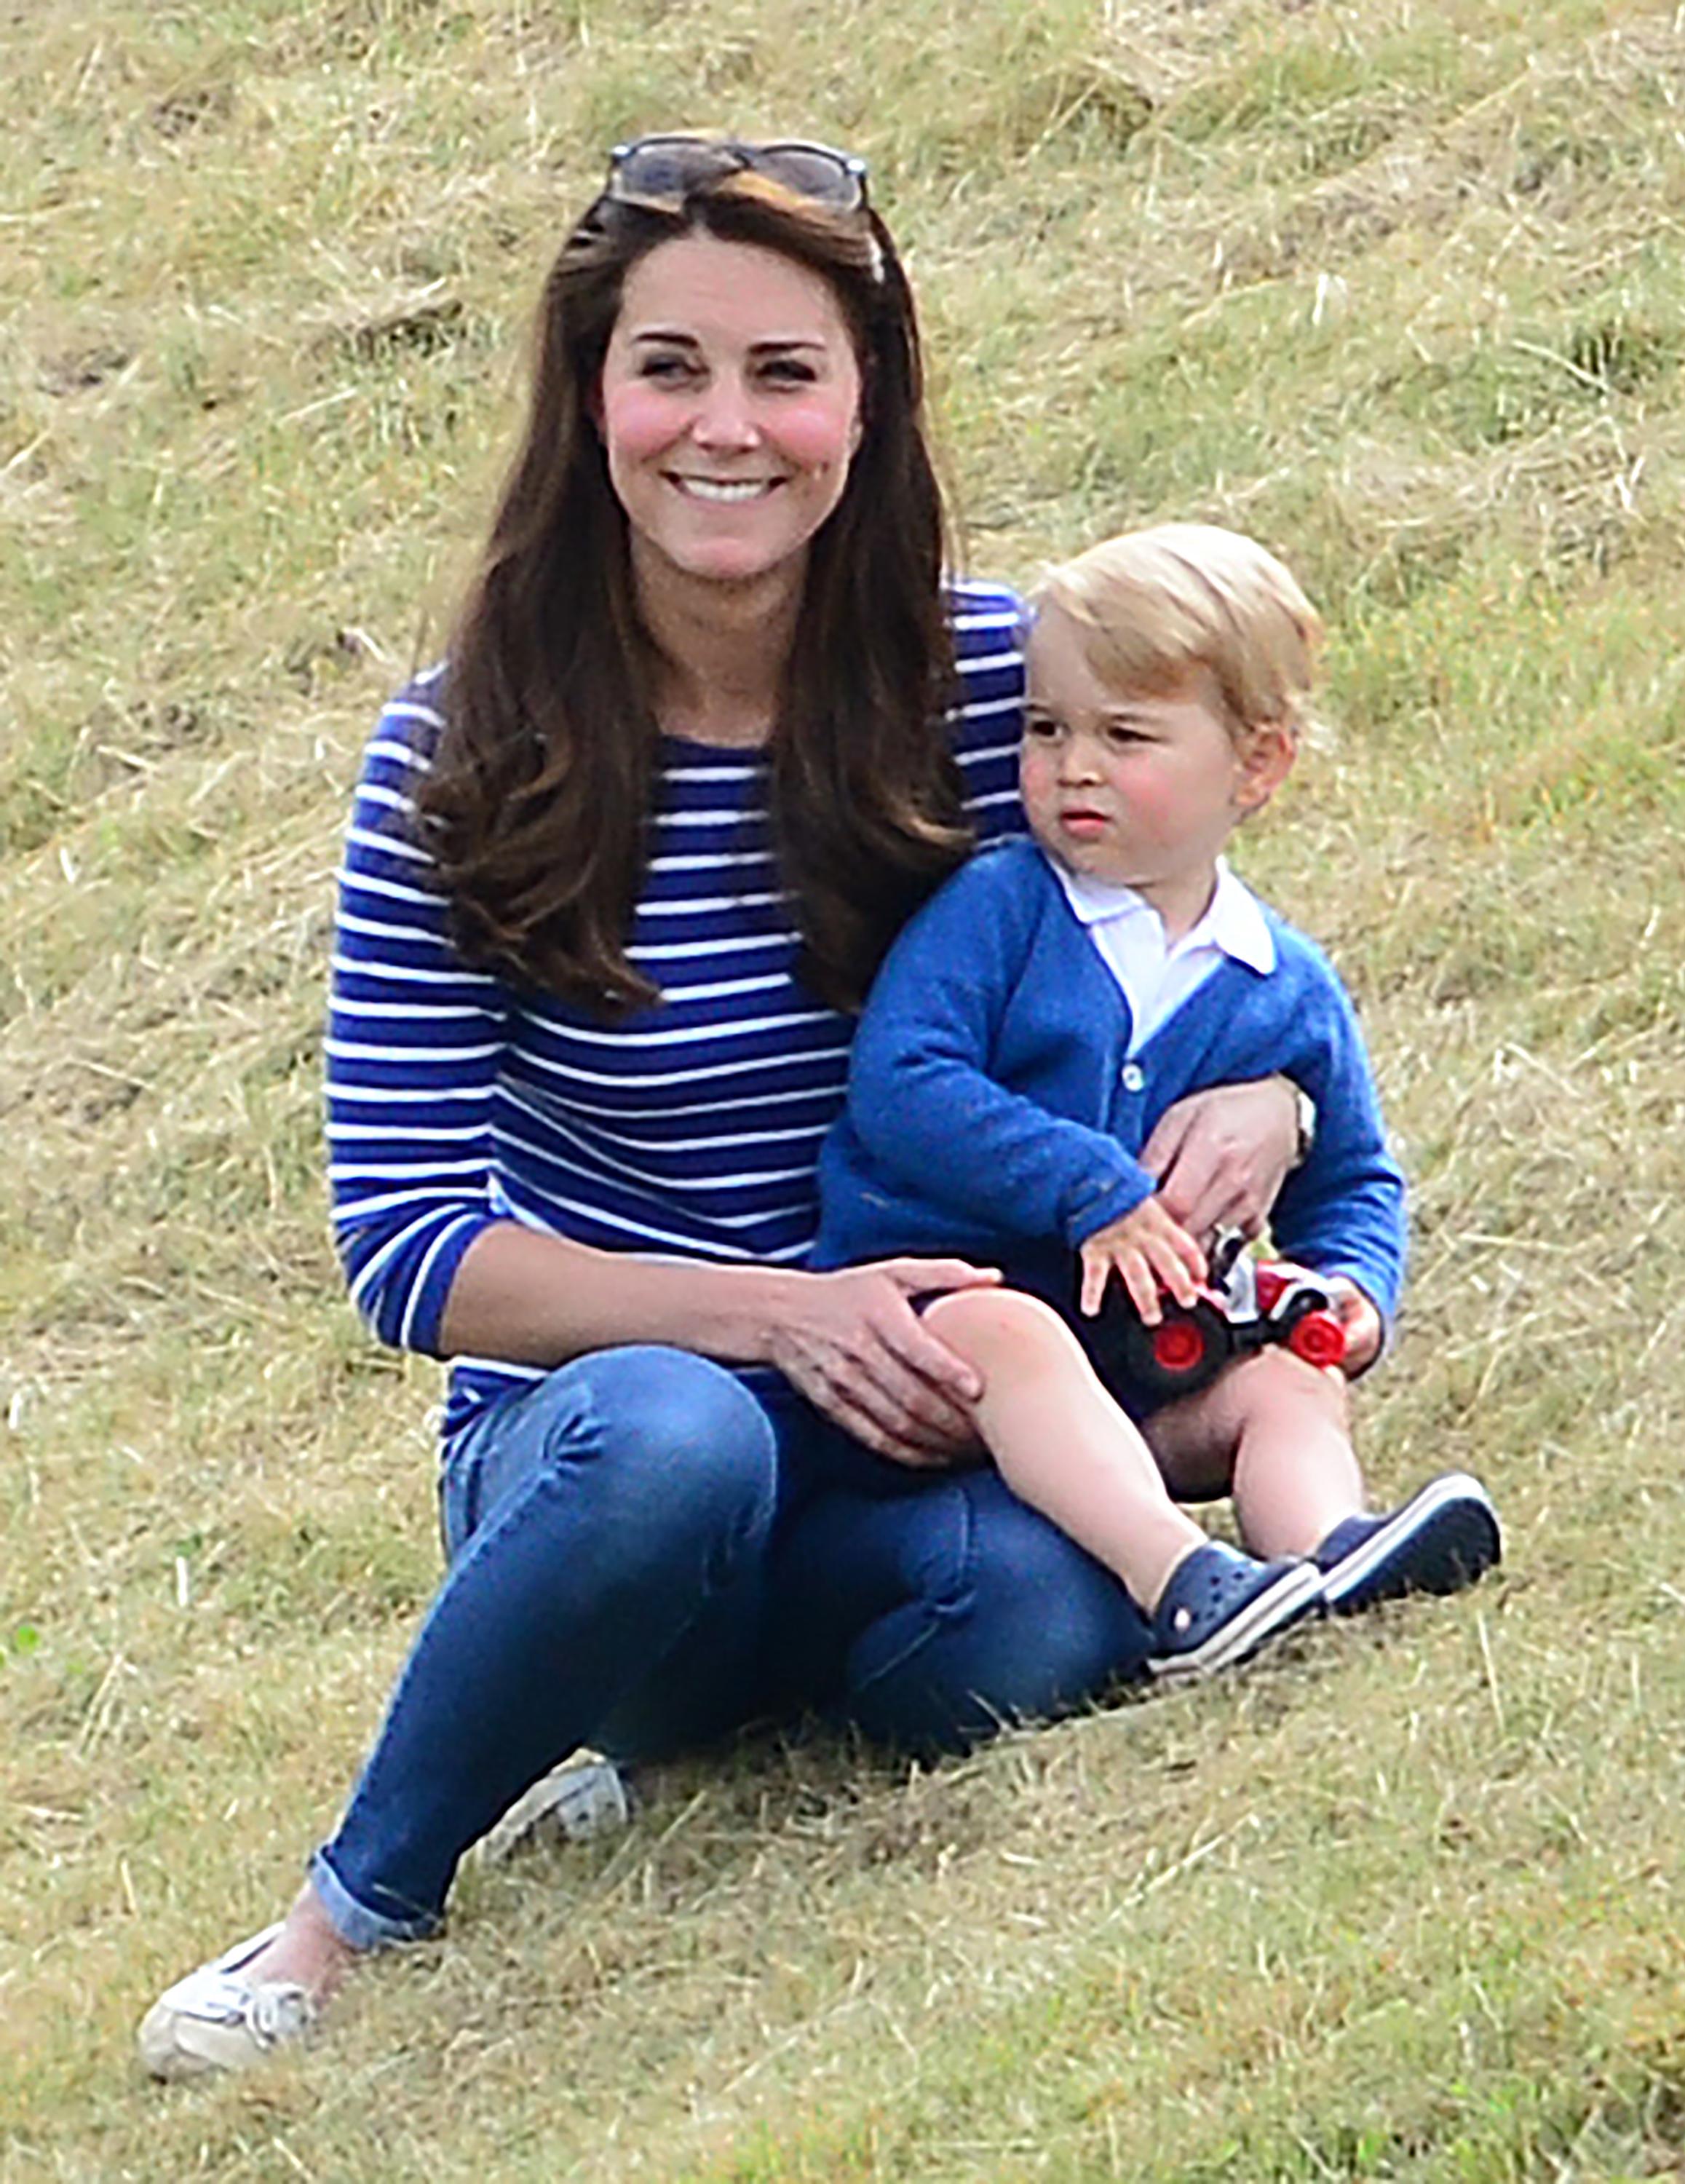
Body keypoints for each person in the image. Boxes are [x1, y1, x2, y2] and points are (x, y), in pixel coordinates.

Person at [137, 141, 1306, 2081]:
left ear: (868, 400)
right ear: (590, 394)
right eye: (670, 367)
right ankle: (345, 1916)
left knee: (1032, 1640)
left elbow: (1186, 912)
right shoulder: (458, 751)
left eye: (785, 372)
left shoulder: (997, 678)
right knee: (678, 1448)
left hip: (925, 1434)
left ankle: (631, 1730)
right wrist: (770, 1314)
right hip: (611, 1435)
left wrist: (1258, 1086)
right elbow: (409, 1248)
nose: (727, 429)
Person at [813, 521, 1502, 1663]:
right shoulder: (1000, 909)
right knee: (1015, 1328)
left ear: (1256, 766)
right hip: (947, 1326)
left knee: (1286, 1385)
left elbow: (1355, 1173)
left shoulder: (1279, 980)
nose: (1073, 765)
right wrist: (1087, 1186)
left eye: (1124, 735)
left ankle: (1327, 1552)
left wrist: (1349, 1297)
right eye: (1046, 729)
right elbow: (901, 1081)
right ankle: (1179, 1581)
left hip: (1143, 1368)